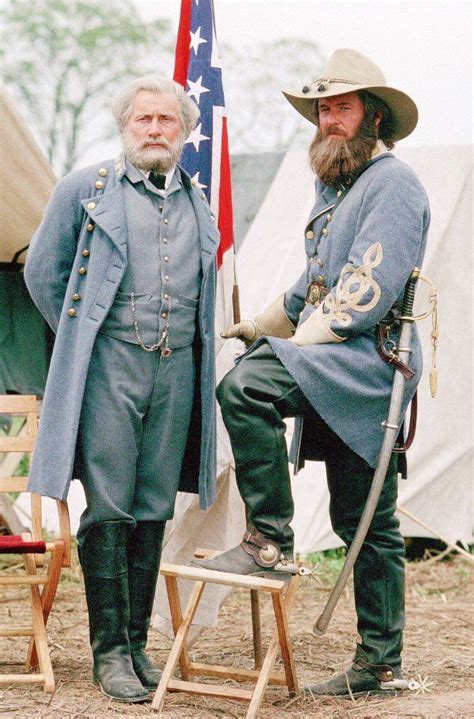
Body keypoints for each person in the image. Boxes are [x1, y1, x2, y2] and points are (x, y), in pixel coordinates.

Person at [193, 49, 430, 698]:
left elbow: (366, 290)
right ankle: (380, 664)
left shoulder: (393, 184)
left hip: (367, 362)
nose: (328, 120)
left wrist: (293, 344)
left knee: (245, 385)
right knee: (365, 519)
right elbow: (310, 287)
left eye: (342, 107)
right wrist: (261, 323)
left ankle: (270, 542)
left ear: (373, 117)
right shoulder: (336, 190)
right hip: (335, 360)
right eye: (322, 109)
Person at [24, 77, 219, 703]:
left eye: (167, 119)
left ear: (185, 131)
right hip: (112, 365)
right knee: (109, 504)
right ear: (125, 126)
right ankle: (108, 651)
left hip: (178, 369)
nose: (155, 129)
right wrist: (84, 338)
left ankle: (136, 645)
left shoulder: (197, 200)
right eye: (144, 119)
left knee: (156, 500)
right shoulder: (86, 190)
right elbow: (42, 271)